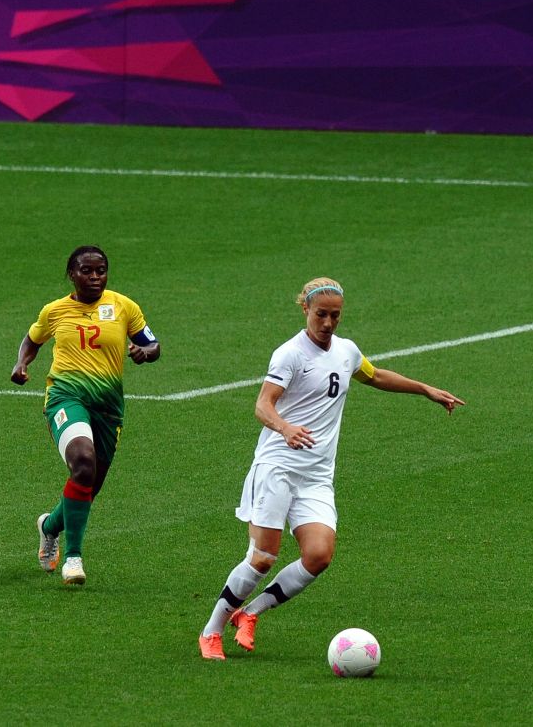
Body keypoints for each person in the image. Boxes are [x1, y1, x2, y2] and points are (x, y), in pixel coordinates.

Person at [198, 277, 465, 659]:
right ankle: (211, 631)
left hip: (317, 476)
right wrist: (285, 427)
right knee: (262, 557)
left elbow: (373, 375)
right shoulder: (290, 354)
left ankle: (250, 613)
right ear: (305, 309)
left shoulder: (346, 351)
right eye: (320, 314)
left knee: (319, 555)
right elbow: (263, 405)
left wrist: (425, 389)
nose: (327, 322)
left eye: (335, 316)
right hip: (277, 466)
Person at [11, 245, 161, 585]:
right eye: (86, 271)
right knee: (82, 463)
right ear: (72, 274)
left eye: (101, 271)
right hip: (66, 396)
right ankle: (73, 559)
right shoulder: (55, 311)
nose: (95, 277)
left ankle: (49, 527)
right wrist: (21, 363)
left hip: (108, 406)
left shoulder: (124, 306)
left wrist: (145, 352)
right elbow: (32, 339)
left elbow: (152, 344)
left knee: (88, 486)